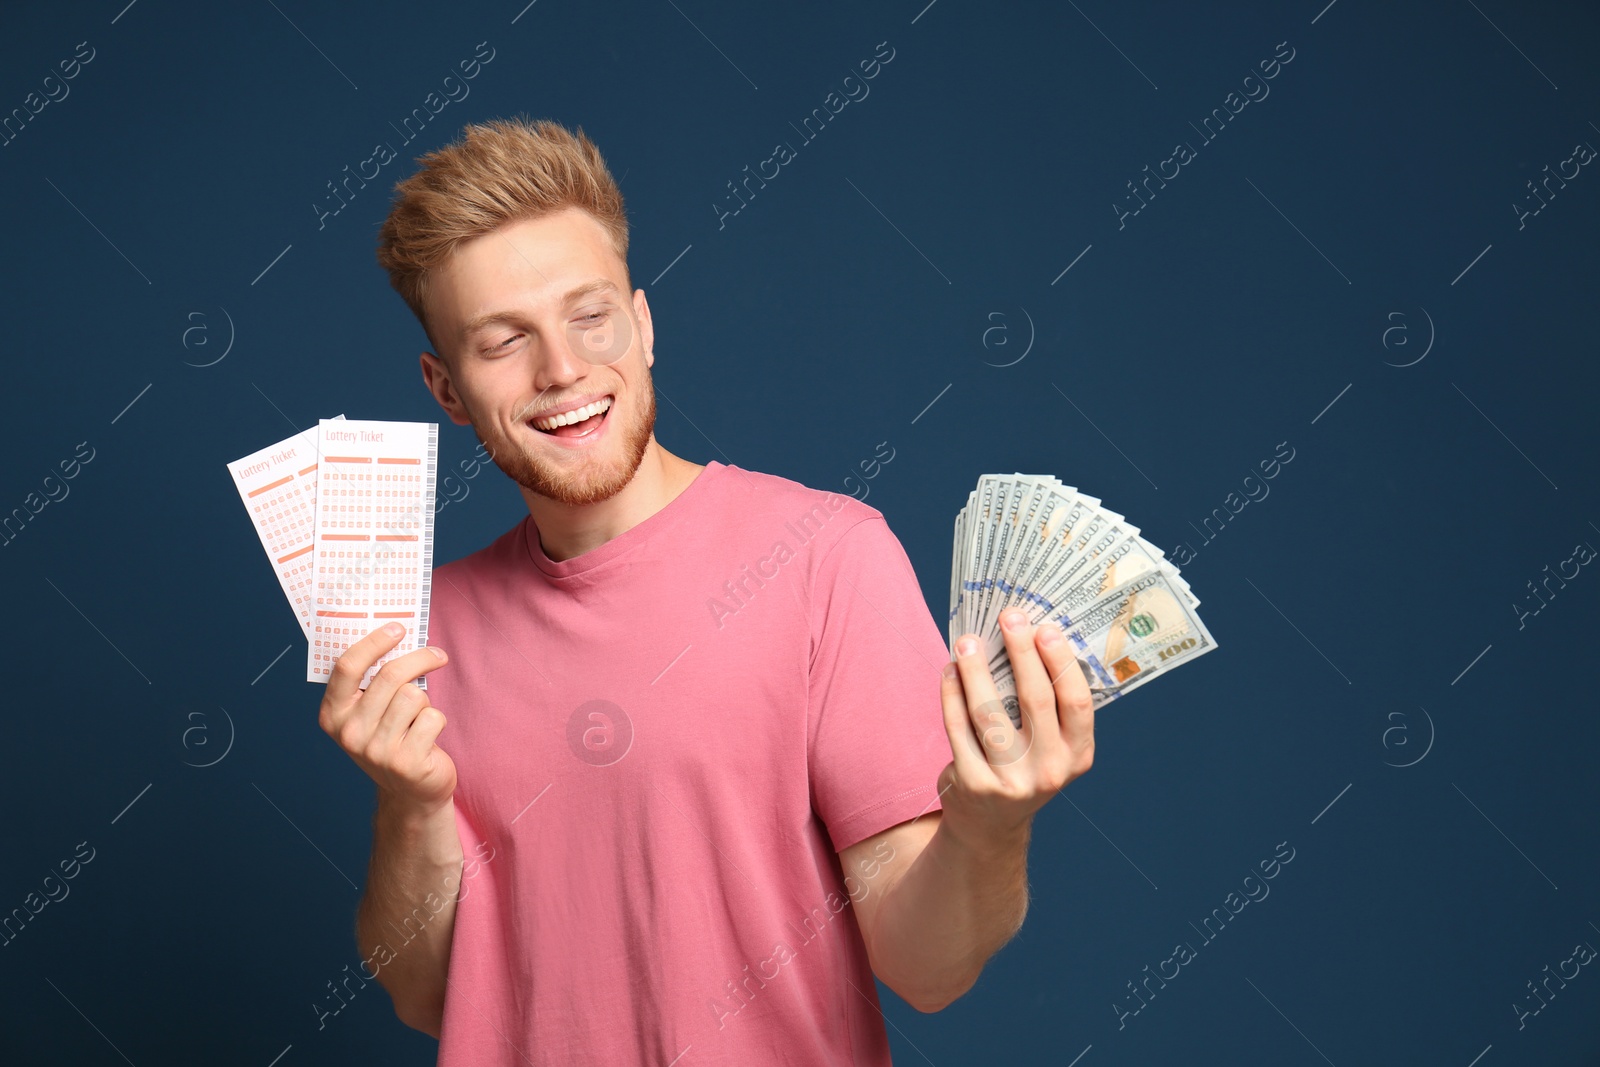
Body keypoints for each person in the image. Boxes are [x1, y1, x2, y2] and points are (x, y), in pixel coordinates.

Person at [316, 116, 1096, 1065]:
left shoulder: (826, 556)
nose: (562, 369)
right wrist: (409, 806)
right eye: (502, 341)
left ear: (643, 325)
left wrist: (989, 824)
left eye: (589, 315)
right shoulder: (420, 627)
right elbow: (431, 997)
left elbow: (928, 969)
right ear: (446, 388)